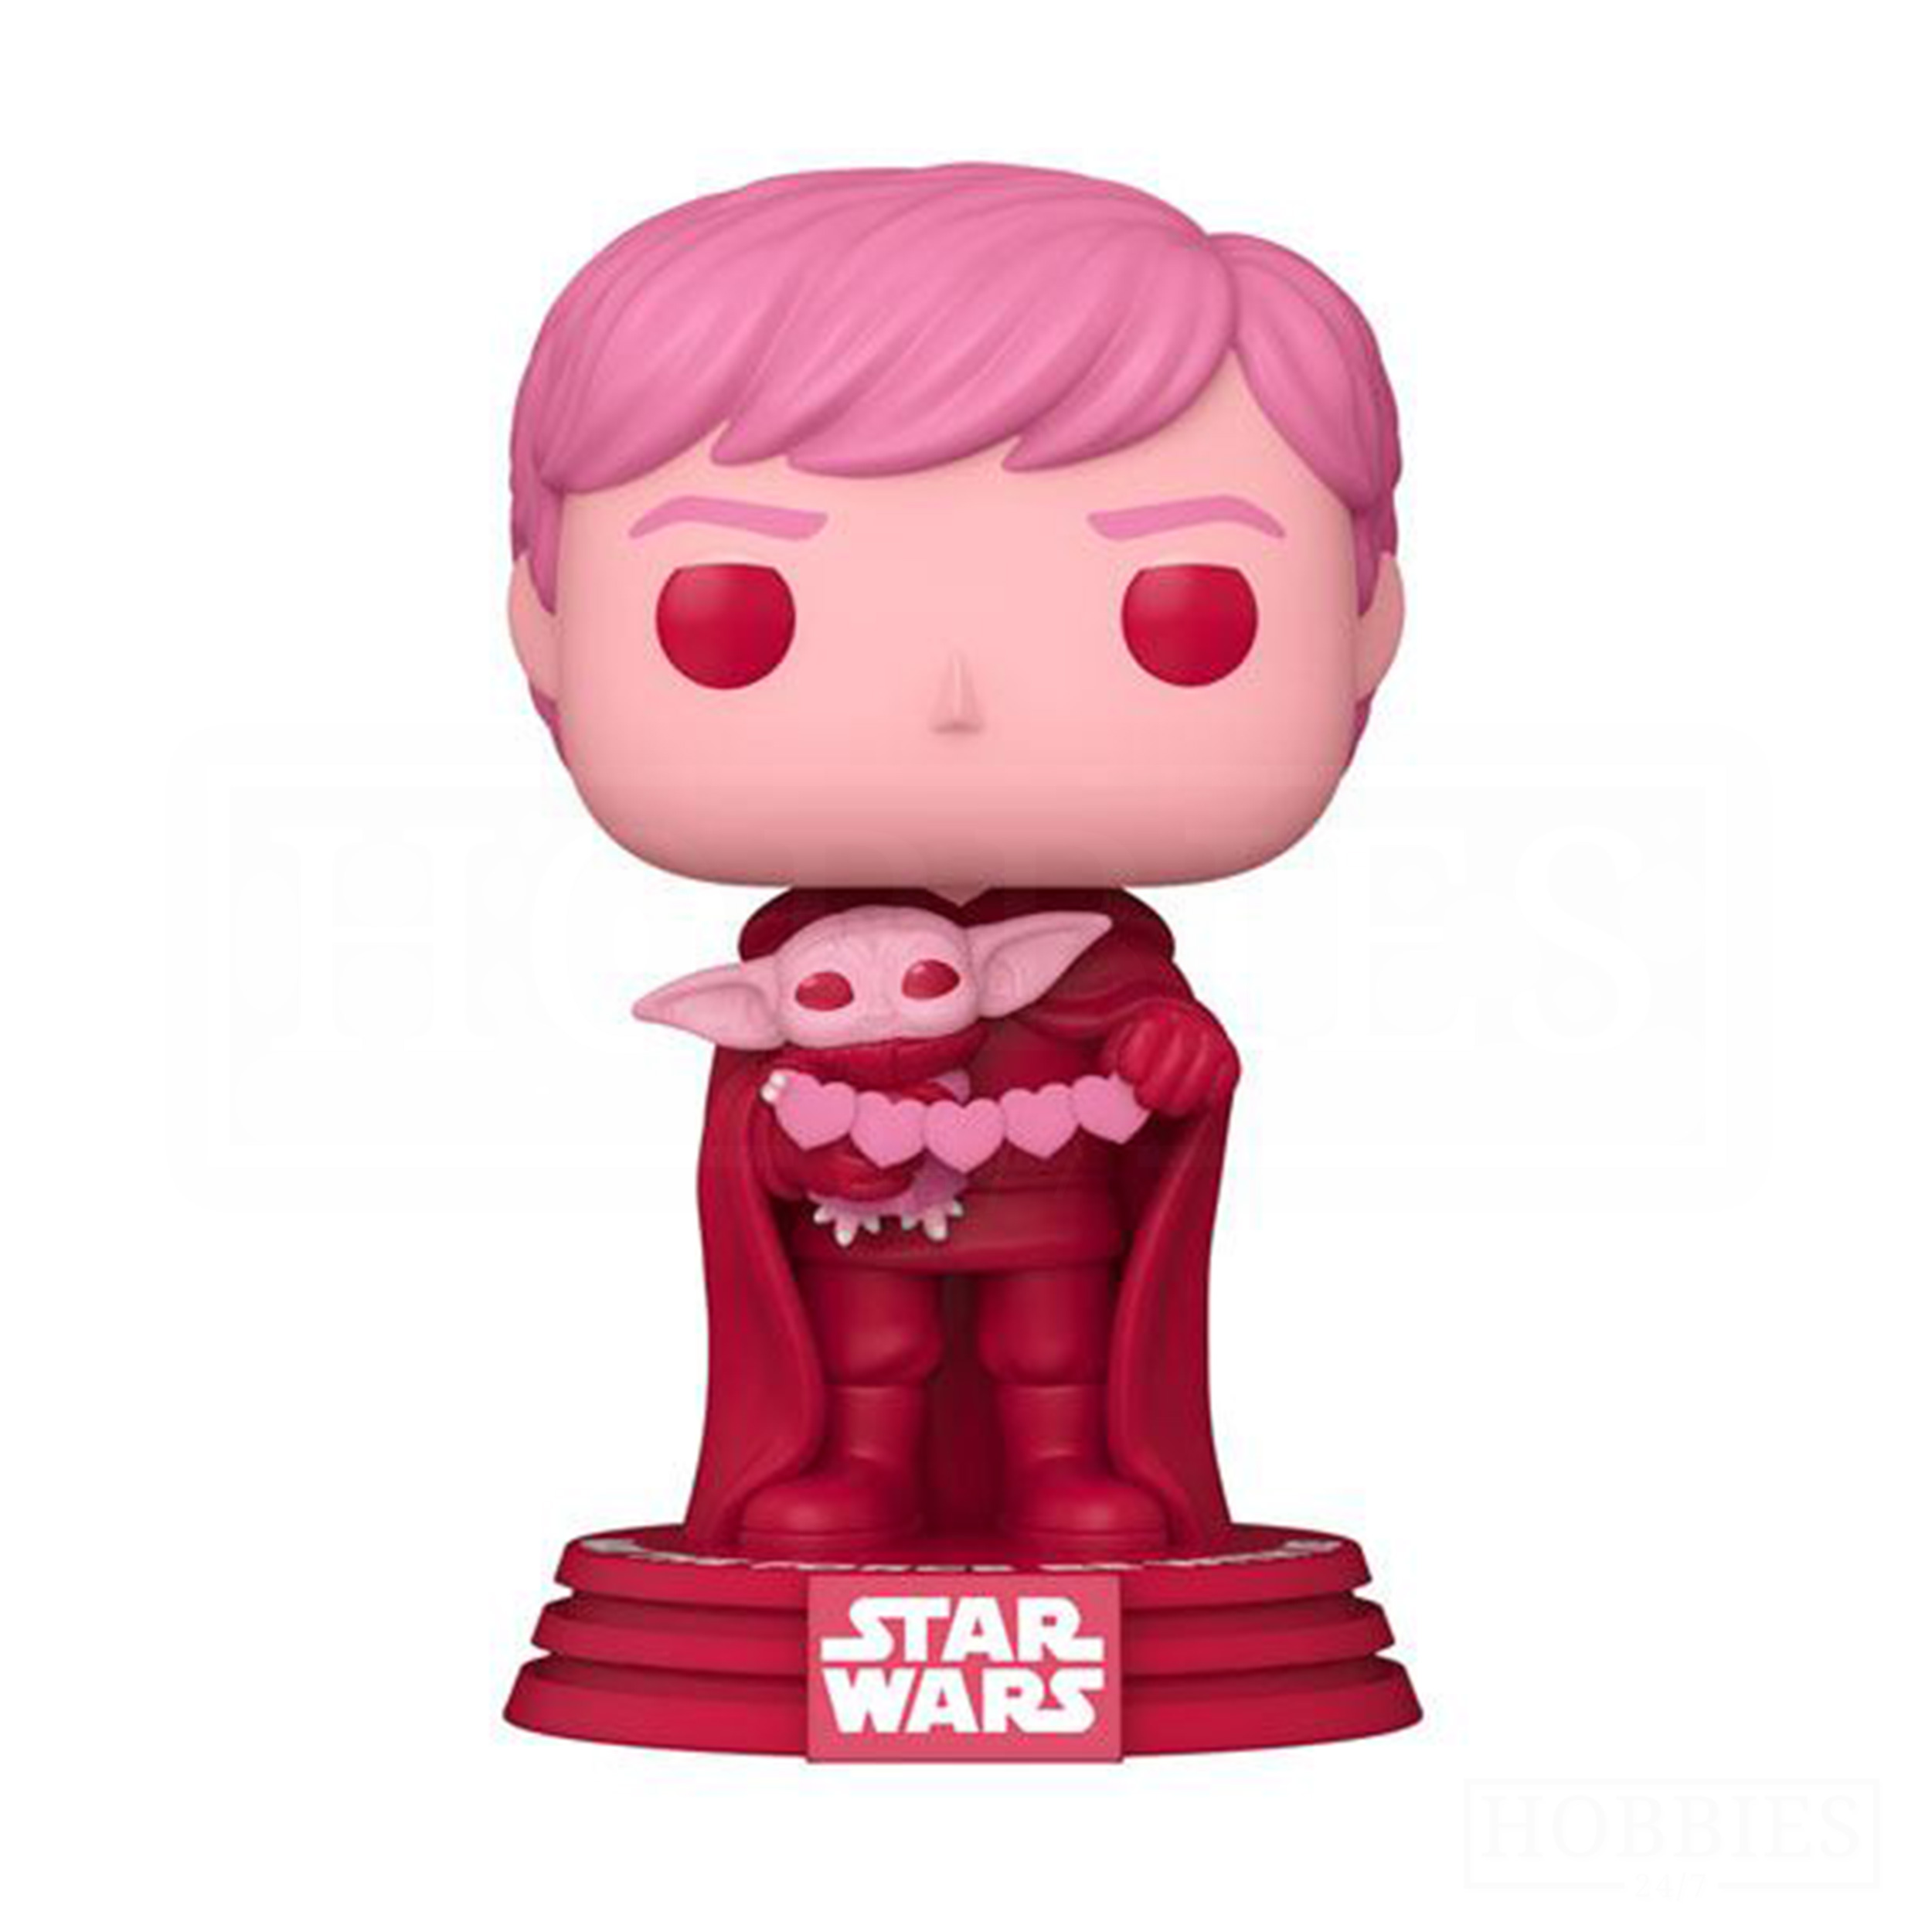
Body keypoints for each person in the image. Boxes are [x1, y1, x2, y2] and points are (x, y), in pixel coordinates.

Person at [506, 164, 1403, 1556]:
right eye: (732, 615)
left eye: (1182, 612)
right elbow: (753, 1145)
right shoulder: (796, 975)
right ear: (547, 629)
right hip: (861, 1231)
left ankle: (1066, 1472)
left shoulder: (1099, 965)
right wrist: (796, 1145)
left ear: (1364, 627)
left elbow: (1158, 1059)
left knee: (1058, 1351)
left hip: (1058, 1215)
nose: (955, 699)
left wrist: (1167, 1051)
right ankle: (856, 1470)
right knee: (870, 1350)